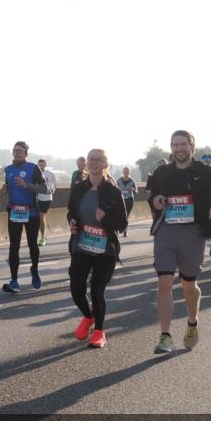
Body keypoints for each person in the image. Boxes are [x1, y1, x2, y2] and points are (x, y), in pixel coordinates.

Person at [147, 130, 211, 354]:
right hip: (166, 231)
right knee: (164, 283)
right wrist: (156, 199)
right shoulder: (162, 172)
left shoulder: (206, 172)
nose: (179, 148)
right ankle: (165, 336)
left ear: (192, 147)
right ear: (171, 148)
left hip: (193, 233)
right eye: (175, 144)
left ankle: (192, 321)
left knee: (188, 285)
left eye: (183, 144)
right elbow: (151, 195)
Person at [67, 149, 127, 348]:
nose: (94, 163)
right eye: (91, 159)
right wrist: (72, 222)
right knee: (76, 288)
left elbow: (122, 223)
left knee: (96, 291)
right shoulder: (78, 188)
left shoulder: (112, 191)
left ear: (105, 164)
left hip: (105, 250)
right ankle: (88, 316)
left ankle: (99, 332)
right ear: (86, 163)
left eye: (98, 160)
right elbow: (70, 211)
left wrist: (105, 218)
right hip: (82, 246)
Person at [1, 142, 48, 293]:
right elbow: (9, 186)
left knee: (32, 244)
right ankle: (14, 281)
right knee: (13, 246)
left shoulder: (33, 168)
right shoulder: (8, 169)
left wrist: (27, 185)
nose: (17, 153)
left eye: (20, 151)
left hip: (31, 212)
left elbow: (44, 188)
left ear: (26, 153)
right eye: (14, 150)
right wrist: (5, 189)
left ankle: (34, 269)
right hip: (14, 211)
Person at [36, 159, 56, 247]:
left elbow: (55, 185)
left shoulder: (50, 175)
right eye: (39, 165)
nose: (41, 167)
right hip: (36, 198)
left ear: (45, 165)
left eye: (42, 165)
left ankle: (43, 237)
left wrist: (52, 190)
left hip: (46, 198)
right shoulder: (35, 175)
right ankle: (38, 236)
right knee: (36, 218)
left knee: (41, 216)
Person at [116, 167, 138, 238]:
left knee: (126, 216)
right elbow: (114, 189)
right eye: (125, 171)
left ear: (129, 172)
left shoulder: (132, 181)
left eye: (127, 171)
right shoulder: (118, 181)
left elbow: (136, 191)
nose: (126, 173)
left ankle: (125, 231)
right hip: (120, 200)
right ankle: (119, 228)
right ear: (123, 172)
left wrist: (133, 190)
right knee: (119, 215)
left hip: (129, 200)